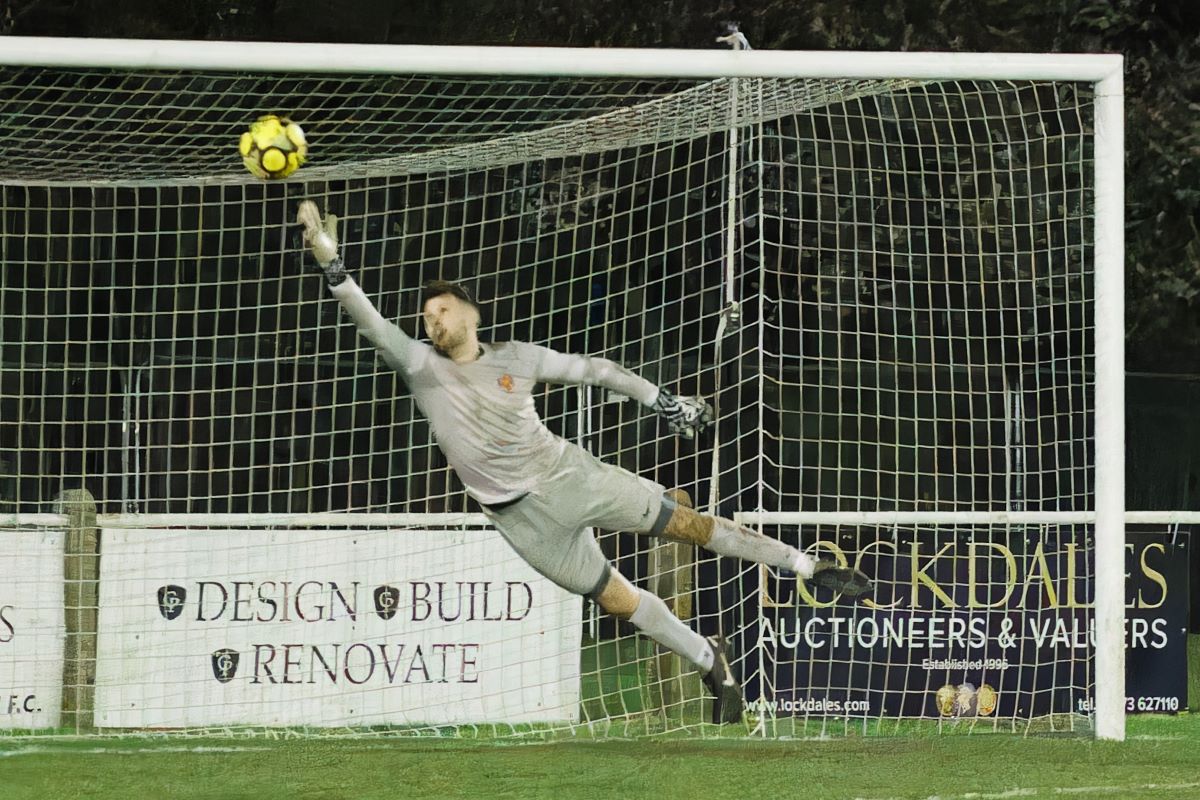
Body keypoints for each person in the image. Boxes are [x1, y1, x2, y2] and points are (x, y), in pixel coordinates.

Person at [296, 200, 871, 724]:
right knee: (616, 600)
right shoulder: (421, 366)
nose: (433, 321)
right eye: (427, 316)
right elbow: (369, 320)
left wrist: (663, 402)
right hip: (520, 522)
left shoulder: (517, 358)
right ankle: (709, 659)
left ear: (470, 314)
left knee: (686, 526)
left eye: (442, 310)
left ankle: (806, 566)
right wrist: (329, 259)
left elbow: (597, 370)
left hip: (569, 478)